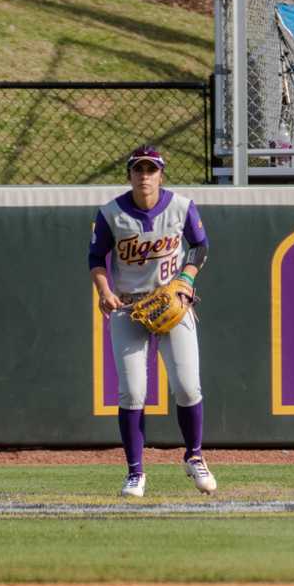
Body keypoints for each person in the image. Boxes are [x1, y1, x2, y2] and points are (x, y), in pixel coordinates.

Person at [89, 145, 218, 500]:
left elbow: (201, 246)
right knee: (132, 392)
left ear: (162, 174)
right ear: (129, 174)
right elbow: (96, 257)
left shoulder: (181, 207)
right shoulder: (111, 213)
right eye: (138, 169)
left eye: (151, 169)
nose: (144, 176)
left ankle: (194, 456)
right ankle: (135, 473)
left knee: (188, 386)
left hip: (172, 301)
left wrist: (187, 280)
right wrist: (104, 290)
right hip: (130, 307)